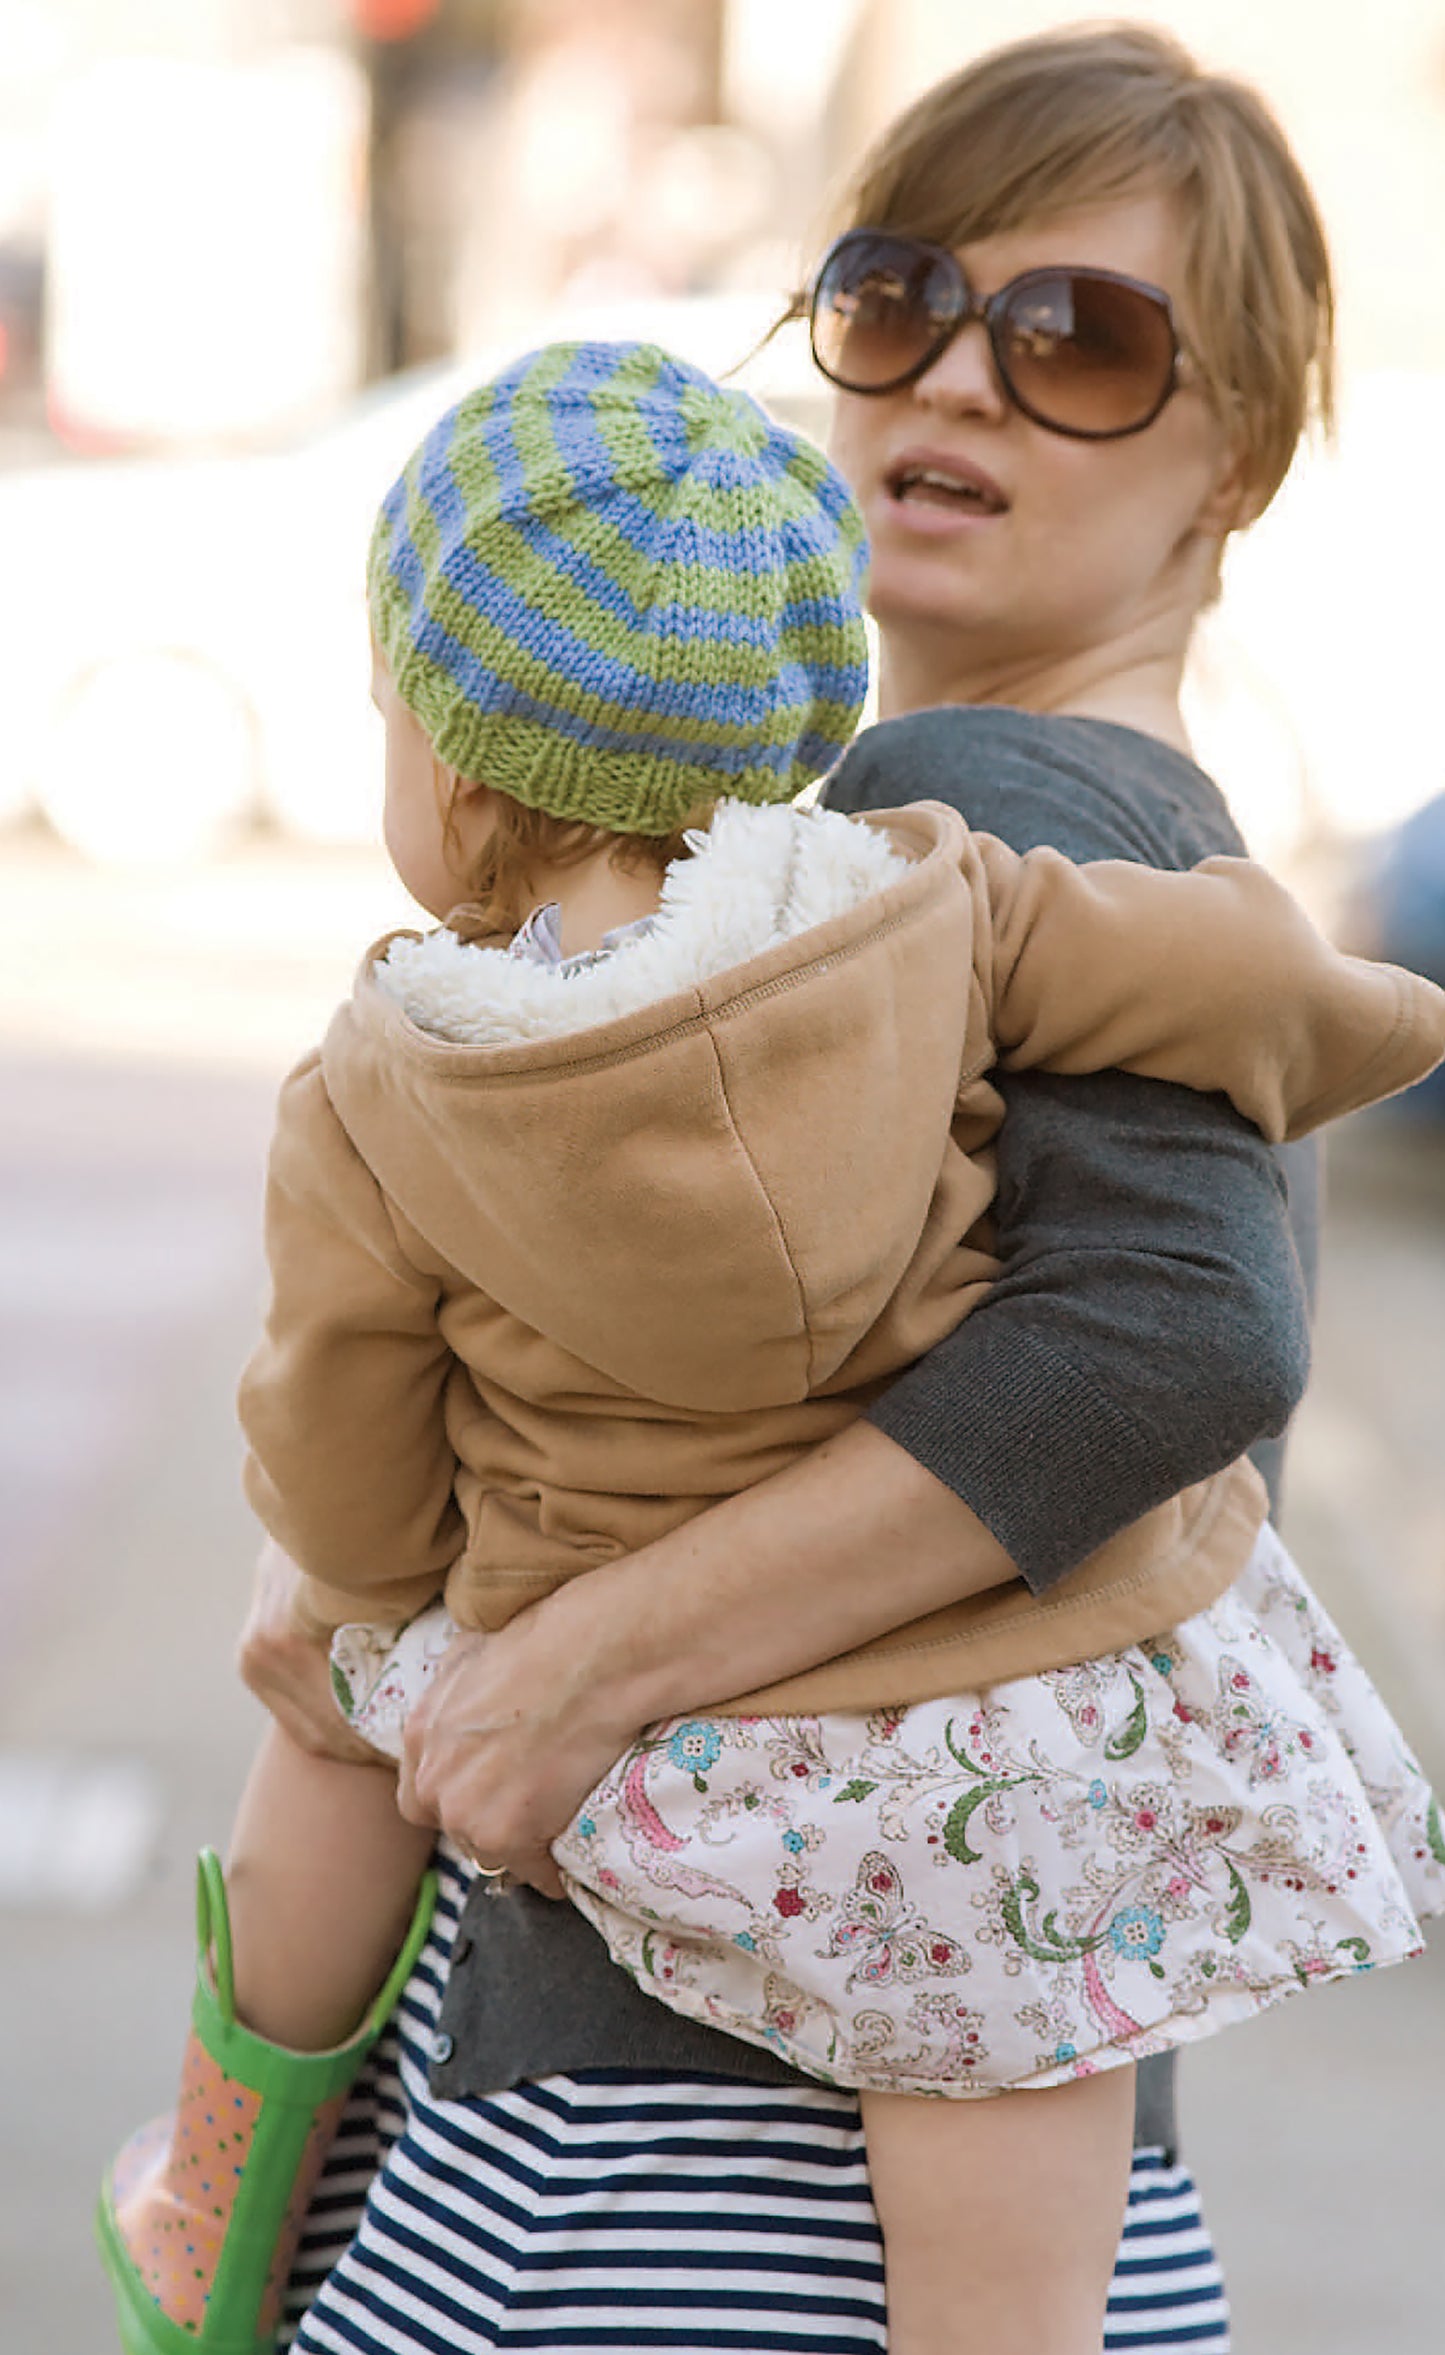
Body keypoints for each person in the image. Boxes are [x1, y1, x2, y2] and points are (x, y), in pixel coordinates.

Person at [97, 322, 1445, 2355]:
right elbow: (1196, 965)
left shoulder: (386, 1080)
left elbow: (348, 1453)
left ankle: (220, 2182)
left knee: (328, 1698)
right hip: (992, 1689)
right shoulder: (929, 897)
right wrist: (1363, 1019)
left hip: (613, 1674)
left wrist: (374, 1584)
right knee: (1007, 2035)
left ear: (450, 771)